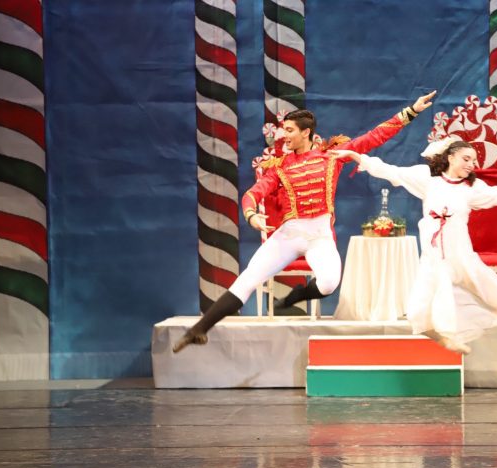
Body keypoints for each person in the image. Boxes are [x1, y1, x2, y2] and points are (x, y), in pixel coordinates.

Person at [173, 91, 437, 353]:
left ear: (306, 132)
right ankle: (199, 330)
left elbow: (374, 137)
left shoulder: (331, 156)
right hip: (289, 236)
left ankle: (297, 295)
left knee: (329, 283)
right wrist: (251, 214)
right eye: (283, 130)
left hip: (319, 237)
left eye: (289, 130)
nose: (284, 135)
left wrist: (411, 111)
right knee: (248, 279)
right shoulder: (280, 166)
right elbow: (253, 193)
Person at [329, 140, 497, 366]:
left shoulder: (473, 189)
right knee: (417, 315)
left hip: (464, 261)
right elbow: (390, 170)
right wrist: (355, 155)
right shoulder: (427, 180)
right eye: (466, 158)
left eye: (474, 161)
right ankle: (446, 341)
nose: (471, 164)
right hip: (434, 263)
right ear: (450, 157)